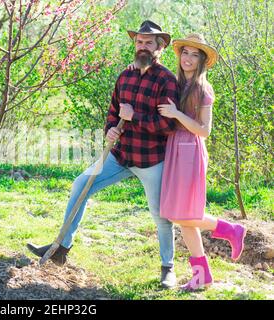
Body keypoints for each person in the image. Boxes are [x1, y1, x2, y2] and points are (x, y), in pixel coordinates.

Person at [28, 20, 180, 289]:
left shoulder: (166, 80)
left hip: (150, 159)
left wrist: (135, 118)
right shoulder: (125, 76)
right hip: (119, 155)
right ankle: (61, 248)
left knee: (161, 216)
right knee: (80, 186)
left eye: (148, 42)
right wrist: (110, 130)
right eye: (138, 42)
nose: (142, 46)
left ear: (160, 47)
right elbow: (112, 113)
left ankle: (167, 267)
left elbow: (167, 125)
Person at [157, 33, 247, 291]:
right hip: (175, 148)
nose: (187, 58)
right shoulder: (176, 83)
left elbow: (204, 130)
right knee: (181, 217)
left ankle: (229, 229)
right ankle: (202, 276)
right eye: (185, 52)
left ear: (202, 61)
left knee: (184, 214)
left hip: (190, 151)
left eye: (194, 54)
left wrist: (175, 114)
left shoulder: (202, 89)